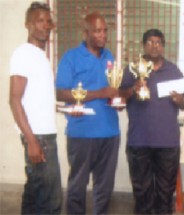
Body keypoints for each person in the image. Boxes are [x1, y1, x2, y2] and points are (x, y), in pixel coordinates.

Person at [56, 12, 120, 215]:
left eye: (105, 31)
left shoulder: (110, 57)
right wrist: (101, 93)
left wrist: (117, 101)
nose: (103, 35)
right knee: (77, 186)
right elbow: (61, 92)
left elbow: (113, 88)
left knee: (104, 188)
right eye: (98, 31)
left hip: (110, 132)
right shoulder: (71, 57)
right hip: (82, 133)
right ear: (86, 33)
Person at [120, 29, 184, 214]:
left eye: (158, 42)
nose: (154, 46)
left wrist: (180, 100)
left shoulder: (173, 70)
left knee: (165, 195)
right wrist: (134, 88)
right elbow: (119, 97)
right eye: (149, 42)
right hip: (139, 142)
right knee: (142, 194)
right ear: (144, 45)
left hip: (167, 143)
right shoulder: (132, 69)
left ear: (163, 46)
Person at [8, 2, 62, 214]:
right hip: (39, 139)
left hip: (42, 136)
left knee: (34, 197)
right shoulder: (24, 53)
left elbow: (36, 99)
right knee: (50, 202)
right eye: (40, 21)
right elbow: (14, 99)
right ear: (28, 24)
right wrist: (31, 141)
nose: (45, 25)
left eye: (48, 21)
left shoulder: (40, 56)